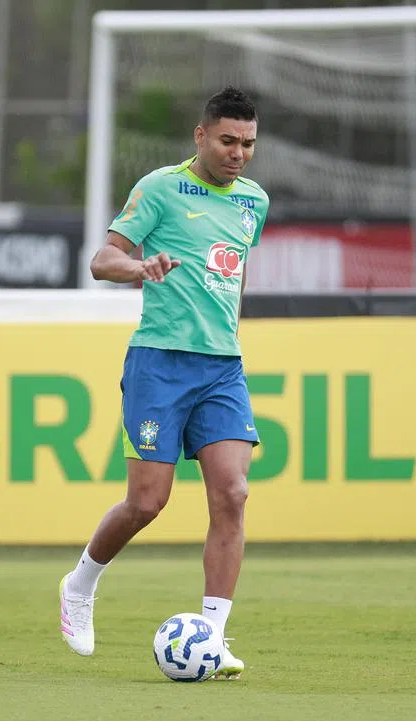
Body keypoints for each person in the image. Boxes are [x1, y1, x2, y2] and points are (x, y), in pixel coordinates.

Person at [58, 86, 269, 679]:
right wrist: (140, 267)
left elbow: (237, 271)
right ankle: (80, 584)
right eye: (228, 141)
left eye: (249, 144)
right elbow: (103, 258)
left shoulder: (255, 201)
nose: (239, 154)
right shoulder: (159, 188)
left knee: (233, 494)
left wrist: (228, 332)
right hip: (159, 362)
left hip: (222, 367)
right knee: (148, 501)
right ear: (200, 136)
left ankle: (211, 637)